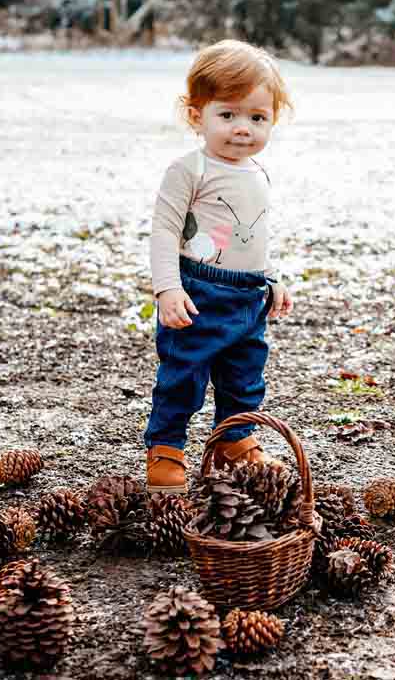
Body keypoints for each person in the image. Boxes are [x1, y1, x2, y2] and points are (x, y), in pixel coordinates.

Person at [144, 39, 294, 493]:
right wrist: (168, 289)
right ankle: (167, 447)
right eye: (227, 115)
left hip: (248, 296)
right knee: (183, 375)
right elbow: (165, 231)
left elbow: (254, 234)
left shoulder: (258, 173)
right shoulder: (190, 170)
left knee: (245, 376)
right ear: (197, 115)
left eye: (257, 117)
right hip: (199, 293)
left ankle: (235, 438)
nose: (242, 129)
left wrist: (272, 277)